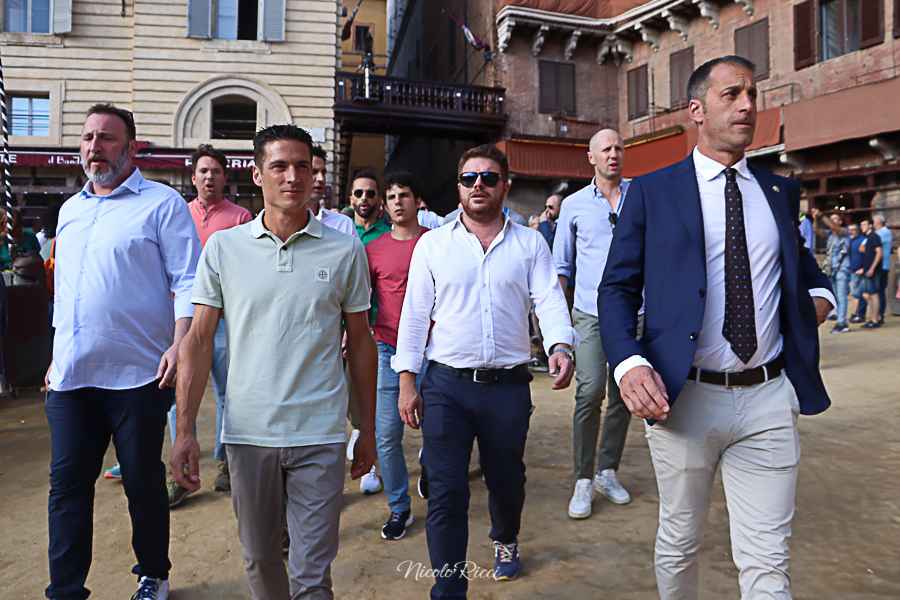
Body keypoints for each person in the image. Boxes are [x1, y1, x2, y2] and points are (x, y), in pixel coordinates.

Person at [598, 56, 834, 600]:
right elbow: (615, 289)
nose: (748, 105)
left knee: (768, 558)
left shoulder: (779, 191)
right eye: (732, 94)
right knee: (681, 541)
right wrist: (629, 363)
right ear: (697, 110)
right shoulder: (652, 192)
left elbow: (805, 267)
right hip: (684, 398)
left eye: (753, 93)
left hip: (769, 397)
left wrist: (819, 301)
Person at [170, 124, 377, 600]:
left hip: (320, 433)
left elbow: (362, 342)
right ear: (258, 175)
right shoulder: (224, 248)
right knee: (260, 558)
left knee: (312, 574)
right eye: (279, 166)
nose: (293, 176)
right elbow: (199, 341)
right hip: (248, 434)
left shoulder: (345, 249)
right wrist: (184, 430)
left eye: (303, 166)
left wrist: (364, 427)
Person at [393, 144, 578, 594]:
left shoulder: (530, 243)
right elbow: (414, 316)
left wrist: (560, 344)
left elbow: (549, 300)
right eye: (469, 178)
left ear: (505, 187)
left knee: (507, 481)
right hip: (446, 386)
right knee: (446, 492)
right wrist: (407, 381)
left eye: (489, 178)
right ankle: (448, 590)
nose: (479, 185)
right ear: (458, 188)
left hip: (507, 387)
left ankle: (506, 538)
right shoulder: (433, 245)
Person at [45, 103, 201, 600]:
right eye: (88, 137)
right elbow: (65, 292)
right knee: (66, 489)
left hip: (139, 376)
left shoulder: (162, 204)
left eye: (107, 138)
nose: (95, 147)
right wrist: (56, 353)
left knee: (141, 482)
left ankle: (153, 574)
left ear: (130, 147)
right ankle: (65, 590)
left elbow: (189, 281)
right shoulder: (70, 210)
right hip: (72, 378)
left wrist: (179, 343)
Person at [554, 128, 637, 520]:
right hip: (589, 312)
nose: (613, 154)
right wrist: (559, 328)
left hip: (634, 313)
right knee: (589, 392)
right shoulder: (573, 205)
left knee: (623, 395)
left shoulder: (641, 197)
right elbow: (561, 267)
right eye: (606, 149)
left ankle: (607, 471)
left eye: (619, 148)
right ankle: (583, 478)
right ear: (592, 157)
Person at [366, 170, 430, 540]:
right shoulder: (373, 249)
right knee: (387, 436)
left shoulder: (436, 243)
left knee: (438, 432)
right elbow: (363, 300)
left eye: (404, 195)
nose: (397, 202)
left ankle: (432, 471)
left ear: (417, 201)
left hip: (435, 350)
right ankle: (399, 508)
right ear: (385, 206)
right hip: (387, 348)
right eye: (391, 197)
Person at [346, 169, 389, 494]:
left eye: (371, 193)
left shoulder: (387, 236)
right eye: (359, 193)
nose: (364, 199)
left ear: (380, 200)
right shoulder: (340, 232)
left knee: (369, 398)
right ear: (351, 199)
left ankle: (370, 463)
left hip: (373, 331)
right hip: (337, 331)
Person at [811, 208, 851, 333]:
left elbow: (833, 226)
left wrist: (821, 214)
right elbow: (817, 230)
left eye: (835, 219)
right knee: (835, 296)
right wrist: (815, 218)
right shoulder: (829, 234)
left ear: (840, 222)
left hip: (842, 269)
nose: (832, 221)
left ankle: (842, 323)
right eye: (831, 218)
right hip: (831, 270)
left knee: (842, 297)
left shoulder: (844, 232)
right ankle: (837, 317)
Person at [308, 146, 356, 237]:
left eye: (323, 173)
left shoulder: (343, 224)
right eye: (314, 172)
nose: (321, 179)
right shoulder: (284, 224)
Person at [858, 218, 883, 329]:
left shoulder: (874, 236)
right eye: (861, 224)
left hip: (872, 271)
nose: (862, 227)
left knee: (873, 294)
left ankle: (875, 320)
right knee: (866, 294)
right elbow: (862, 250)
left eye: (864, 224)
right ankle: (877, 317)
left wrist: (872, 268)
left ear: (871, 225)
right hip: (867, 270)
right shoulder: (868, 238)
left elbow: (879, 253)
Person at [873, 212, 893, 323]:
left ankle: (880, 315)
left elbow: (869, 244)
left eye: (874, 220)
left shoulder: (884, 232)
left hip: (882, 266)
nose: (873, 222)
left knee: (879, 291)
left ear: (879, 221)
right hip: (878, 265)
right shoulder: (878, 232)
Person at [847, 223, 866, 322]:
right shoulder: (846, 239)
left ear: (858, 230)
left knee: (856, 294)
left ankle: (856, 313)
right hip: (846, 271)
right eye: (849, 229)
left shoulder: (863, 240)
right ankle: (837, 314)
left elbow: (868, 255)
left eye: (853, 229)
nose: (851, 232)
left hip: (857, 271)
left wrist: (864, 268)